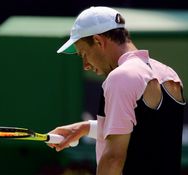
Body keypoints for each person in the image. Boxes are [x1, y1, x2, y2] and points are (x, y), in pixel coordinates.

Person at [48, 6, 186, 175]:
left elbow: (113, 159)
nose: (85, 65)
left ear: (98, 41)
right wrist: (84, 128)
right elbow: (147, 132)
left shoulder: (120, 78)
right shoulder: (169, 74)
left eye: (84, 54)